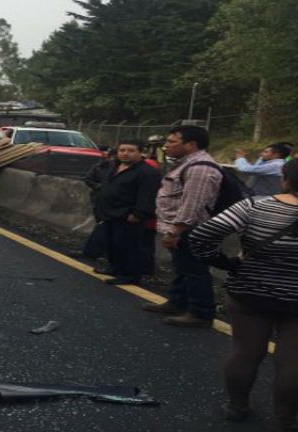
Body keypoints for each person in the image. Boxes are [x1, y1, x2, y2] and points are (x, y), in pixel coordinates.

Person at [189, 160, 298, 428]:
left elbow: (201, 236)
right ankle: (285, 420)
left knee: (245, 353)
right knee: (292, 362)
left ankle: (237, 407)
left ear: (284, 178)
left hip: (249, 290)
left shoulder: (254, 205)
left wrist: (226, 263)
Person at [143, 126, 221, 327]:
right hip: (180, 229)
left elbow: (192, 204)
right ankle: (177, 302)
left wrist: (175, 231)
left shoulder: (199, 168)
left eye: (171, 142)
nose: (166, 146)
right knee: (182, 268)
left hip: (190, 230)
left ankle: (201, 313)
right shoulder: (185, 164)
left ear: (191, 144)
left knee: (195, 270)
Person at [94, 140, 162, 285]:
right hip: (109, 213)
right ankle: (115, 268)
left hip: (128, 215)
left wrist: (138, 214)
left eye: (130, 150)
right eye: (122, 150)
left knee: (129, 246)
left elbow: (148, 195)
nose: (125, 153)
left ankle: (130, 274)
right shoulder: (115, 167)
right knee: (112, 243)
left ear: (140, 153)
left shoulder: (147, 172)